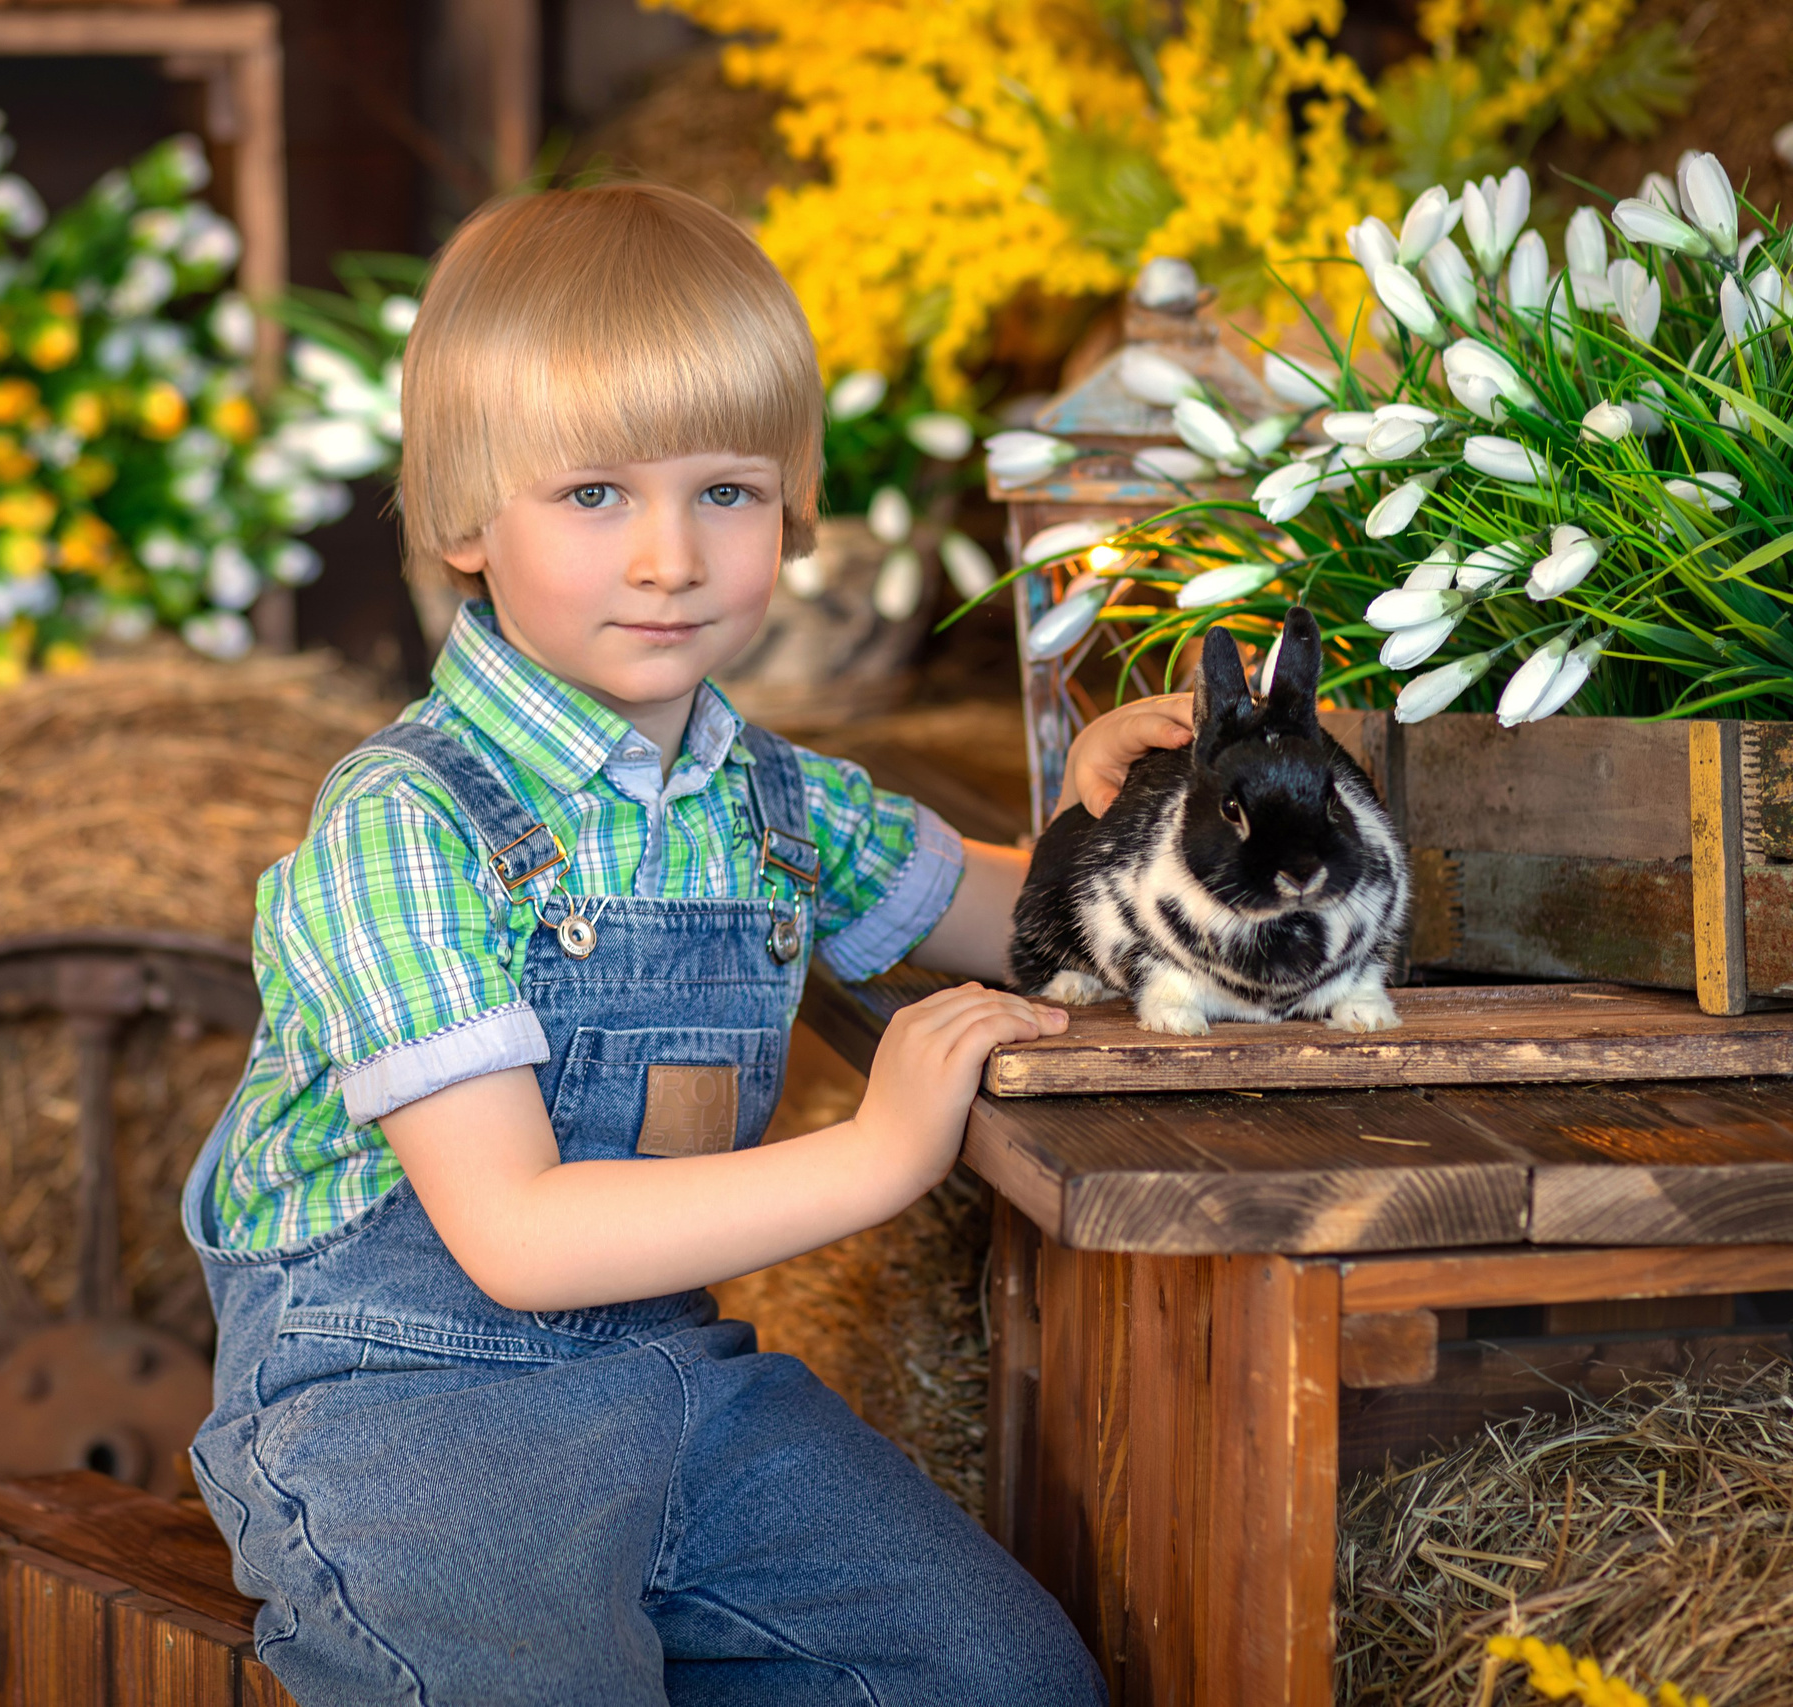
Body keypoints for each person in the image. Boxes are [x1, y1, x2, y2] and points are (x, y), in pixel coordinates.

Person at [180, 180, 1190, 1704]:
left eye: (726, 491)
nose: (670, 557)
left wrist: (1128, 826)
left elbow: (1021, 912)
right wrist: (878, 1153)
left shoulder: (768, 797)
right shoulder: (405, 826)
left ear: (790, 508)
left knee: (1000, 1677)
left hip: (669, 1390)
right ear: (464, 520)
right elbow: (515, 1238)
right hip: (402, 1418)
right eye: (595, 496)